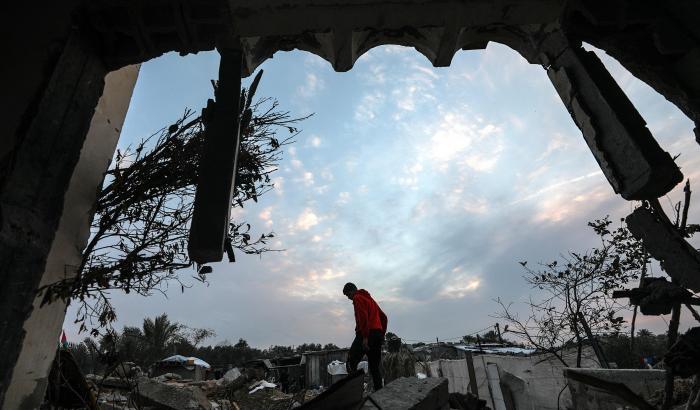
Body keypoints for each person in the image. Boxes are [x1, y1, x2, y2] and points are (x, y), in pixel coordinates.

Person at [343, 282, 387, 391]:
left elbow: (363, 317)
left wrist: (365, 337)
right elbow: (384, 317)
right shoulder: (371, 300)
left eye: (348, 295)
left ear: (352, 291)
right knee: (374, 368)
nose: (349, 298)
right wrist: (381, 335)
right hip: (377, 334)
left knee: (350, 363)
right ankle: (379, 393)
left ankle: (354, 393)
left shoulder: (357, 298)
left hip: (365, 333)